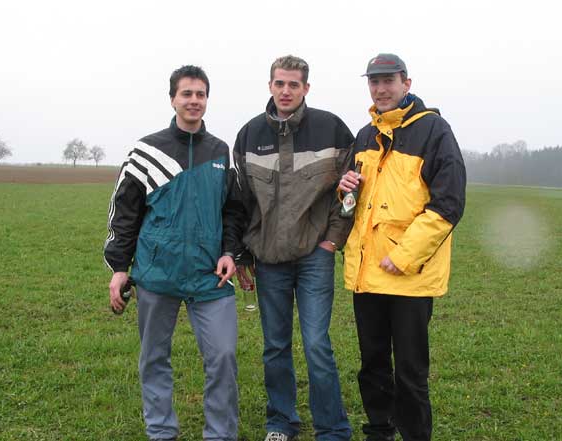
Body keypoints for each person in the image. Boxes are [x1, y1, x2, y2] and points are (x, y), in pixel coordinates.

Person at [104, 65, 245, 441]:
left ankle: (220, 434)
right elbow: (125, 213)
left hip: (210, 276)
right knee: (154, 357)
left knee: (223, 357)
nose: (194, 100)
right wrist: (119, 267)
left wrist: (230, 252)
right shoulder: (146, 151)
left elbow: (234, 210)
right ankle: (161, 431)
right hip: (157, 274)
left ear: (207, 100)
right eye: (187, 94)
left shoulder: (221, 152)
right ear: (172, 99)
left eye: (200, 94)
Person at [338, 53, 466, 441]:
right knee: (372, 364)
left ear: (406, 83)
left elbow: (449, 203)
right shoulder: (364, 135)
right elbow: (354, 205)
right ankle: (379, 431)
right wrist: (344, 190)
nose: (380, 89)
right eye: (374, 82)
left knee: (411, 372)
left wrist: (404, 256)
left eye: (388, 81)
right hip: (367, 274)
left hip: (409, 276)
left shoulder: (433, 130)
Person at [233, 55, 354, 441]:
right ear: (270, 85)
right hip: (269, 259)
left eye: (294, 84)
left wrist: (333, 240)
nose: (286, 91)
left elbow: (352, 190)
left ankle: (332, 429)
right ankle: (280, 423)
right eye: (280, 83)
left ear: (306, 88)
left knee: (317, 344)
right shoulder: (249, 135)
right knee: (275, 346)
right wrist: (243, 254)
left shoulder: (331, 128)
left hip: (316, 254)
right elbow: (241, 201)